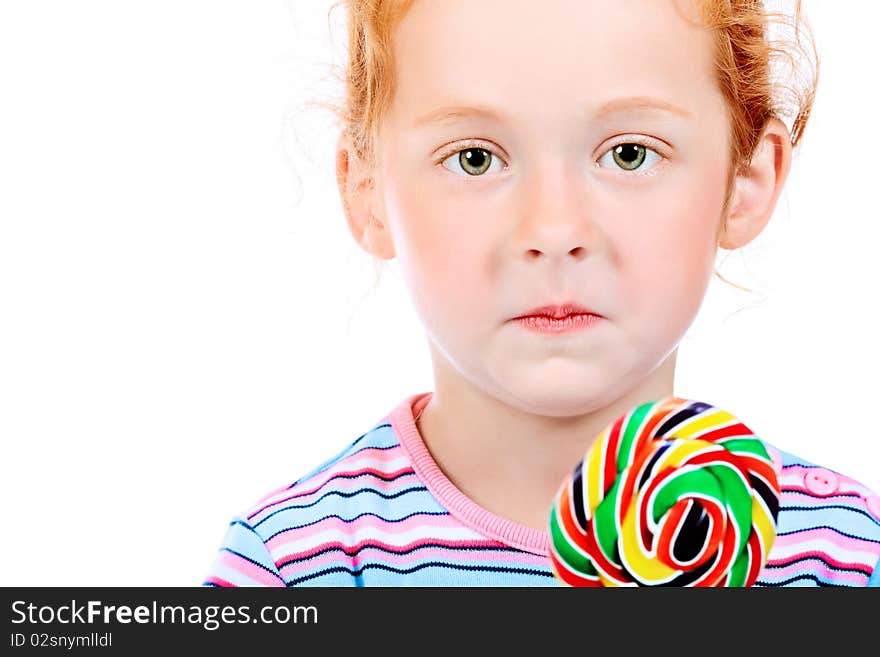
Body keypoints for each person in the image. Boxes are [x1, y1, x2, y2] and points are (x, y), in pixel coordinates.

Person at [203, 0, 880, 587]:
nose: (555, 230)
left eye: (629, 153)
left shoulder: (839, 561)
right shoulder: (295, 566)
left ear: (746, 180)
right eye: (475, 157)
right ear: (366, 192)